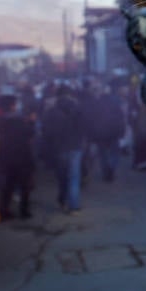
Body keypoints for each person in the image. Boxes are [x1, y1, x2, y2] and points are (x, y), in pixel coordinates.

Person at [40, 85, 86, 213]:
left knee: (62, 176)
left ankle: (62, 200)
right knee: (74, 177)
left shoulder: (51, 111)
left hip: (59, 148)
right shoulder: (78, 108)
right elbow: (84, 127)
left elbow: (46, 132)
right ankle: (74, 206)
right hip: (76, 147)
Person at [0, 94, 35, 220]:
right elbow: (30, 133)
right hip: (23, 157)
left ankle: (4, 211)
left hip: (6, 158)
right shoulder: (18, 120)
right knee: (25, 185)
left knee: (8, 186)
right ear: (12, 106)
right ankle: (24, 210)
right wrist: (31, 122)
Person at [82, 81, 126, 182]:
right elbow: (121, 117)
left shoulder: (94, 103)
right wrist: (122, 130)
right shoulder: (114, 101)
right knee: (114, 152)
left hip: (100, 132)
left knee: (103, 153)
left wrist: (92, 134)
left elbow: (91, 120)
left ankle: (106, 170)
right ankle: (111, 166)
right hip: (113, 131)